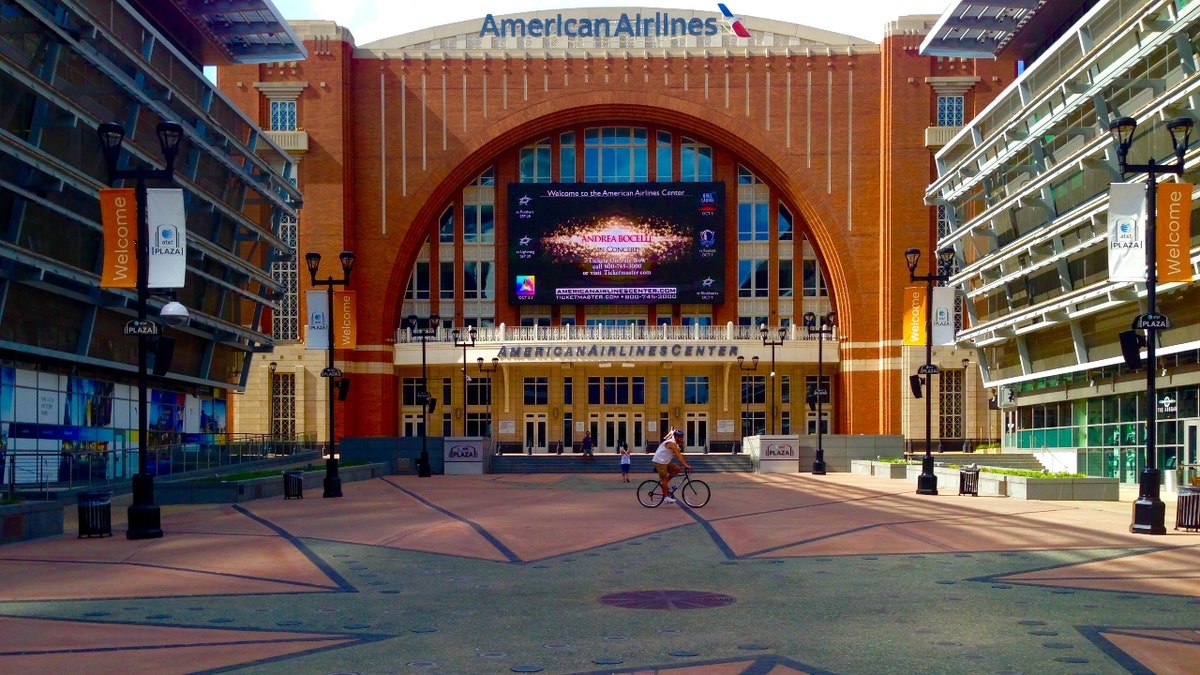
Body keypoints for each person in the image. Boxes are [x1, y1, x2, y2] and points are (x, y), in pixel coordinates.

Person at [651, 428, 691, 503]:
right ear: (676, 437)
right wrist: (686, 465)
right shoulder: (671, 443)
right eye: (680, 437)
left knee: (677, 469)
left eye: (682, 437)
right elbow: (678, 455)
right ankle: (666, 497)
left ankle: (665, 484)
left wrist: (684, 464)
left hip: (666, 462)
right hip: (659, 461)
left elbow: (679, 455)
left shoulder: (675, 444)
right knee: (665, 478)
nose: (682, 439)